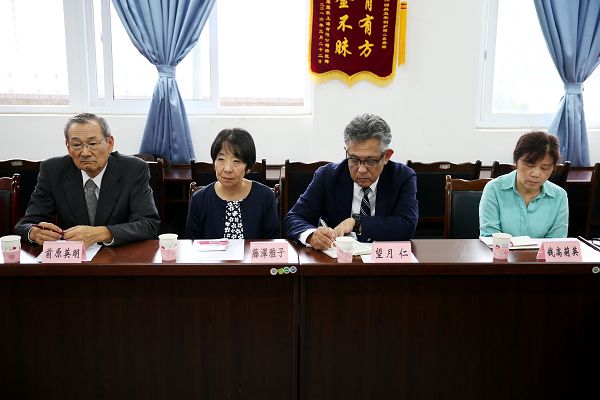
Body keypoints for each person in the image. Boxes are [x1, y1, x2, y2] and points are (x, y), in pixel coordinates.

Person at [15, 113, 160, 247]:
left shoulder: (133, 169)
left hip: (118, 256)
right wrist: (34, 233)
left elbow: (149, 224)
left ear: (109, 143)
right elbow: (25, 224)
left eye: (93, 144)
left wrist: (103, 233)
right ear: (68, 146)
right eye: (77, 145)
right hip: (74, 259)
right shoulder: (52, 170)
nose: (85, 153)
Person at [284, 113, 418, 250]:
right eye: (354, 159)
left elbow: (406, 225)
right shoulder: (327, 176)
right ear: (347, 151)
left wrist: (357, 223)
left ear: (387, 156)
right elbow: (294, 218)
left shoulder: (402, 177)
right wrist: (311, 236)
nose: (361, 169)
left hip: (383, 258)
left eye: (371, 161)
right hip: (337, 258)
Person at [185, 128, 280, 239]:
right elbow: (191, 244)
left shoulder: (265, 196)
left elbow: (272, 243)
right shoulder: (199, 200)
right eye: (221, 159)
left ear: (248, 167)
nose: (227, 169)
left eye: (236, 161)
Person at [479, 131, 568, 238]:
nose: (536, 174)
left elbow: (556, 242)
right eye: (529, 165)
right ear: (516, 162)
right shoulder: (494, 189)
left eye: (545, 168)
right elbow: (490, 236)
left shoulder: (559, 196)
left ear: (553, 168)